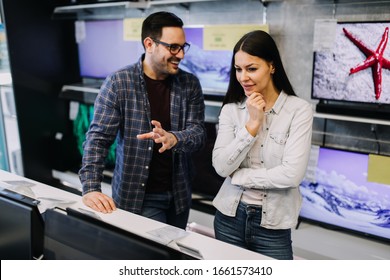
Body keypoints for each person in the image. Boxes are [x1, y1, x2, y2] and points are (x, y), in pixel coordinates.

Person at [79, 11, 207, 229]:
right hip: (137, 197)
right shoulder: (119, 82)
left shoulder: (190, 83)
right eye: (173, 47)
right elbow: (98, 139)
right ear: (150, 44)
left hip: (179, 196)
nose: (181, 55)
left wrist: (174, 138)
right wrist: (91, 187)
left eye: (183, 47)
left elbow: (198, 134)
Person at [212, 30, 313, 259]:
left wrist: (240, 177)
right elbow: (220, 167)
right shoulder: (231, 110)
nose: (243, 77)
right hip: (228, 217)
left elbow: (292, 175)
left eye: (252, 68)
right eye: (238, 69)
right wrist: (253, 124)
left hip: (273, 225)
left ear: (272, 66)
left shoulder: (298, 111)